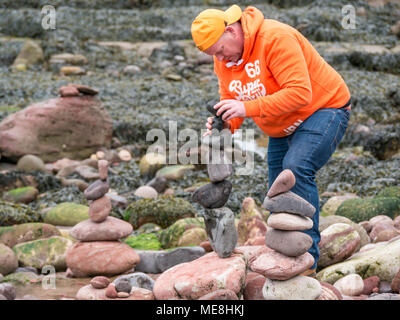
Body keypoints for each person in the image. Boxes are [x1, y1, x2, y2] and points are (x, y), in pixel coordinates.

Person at [191, 4, 351, 275]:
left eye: (219, 50)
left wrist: (246, 108)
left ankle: (308, 261)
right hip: (281, 125)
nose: (220, 59)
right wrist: (225, 122)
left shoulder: (275, 38)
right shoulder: (225, 60)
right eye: (213, 55)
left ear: (231, 30)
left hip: (324, 108)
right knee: (278, 192)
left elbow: (300, 93)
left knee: (296, 169)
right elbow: (232, 100)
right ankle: (286, 254)